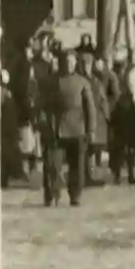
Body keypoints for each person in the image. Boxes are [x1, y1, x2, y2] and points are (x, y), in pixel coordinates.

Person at [39, 45, 97, 207]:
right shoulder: (51, 81)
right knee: (52, 165)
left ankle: (75, 195)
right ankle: (52, 194)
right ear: (61, 62)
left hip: (77, 130)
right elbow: (43, 105)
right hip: (56, 129)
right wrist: (43, 123)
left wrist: (91, 129)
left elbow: (90, 107)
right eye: (66, 62)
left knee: (77, 167)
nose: (68, 65)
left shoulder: (82, 82)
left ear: (75, 63)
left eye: (71, 62)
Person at [105, 66, 135, 184]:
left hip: (126, 120)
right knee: (119, 150)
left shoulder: (125, 87)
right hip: (119, 121)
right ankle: (120, 175)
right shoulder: (113, 83)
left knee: (127, 150)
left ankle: (127, 175)